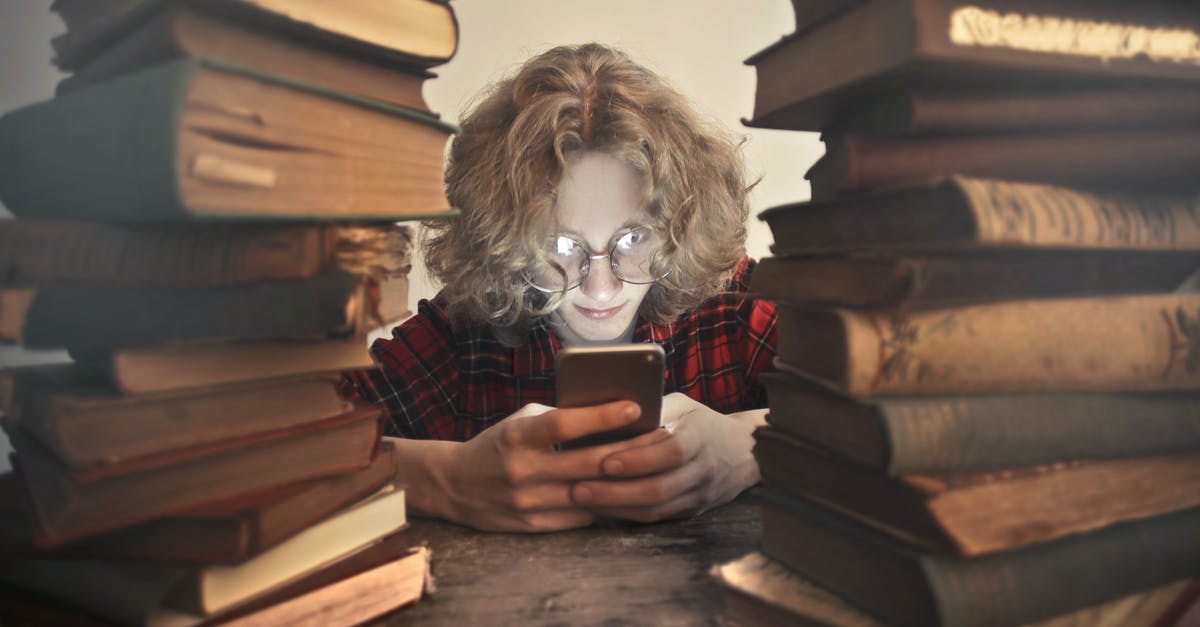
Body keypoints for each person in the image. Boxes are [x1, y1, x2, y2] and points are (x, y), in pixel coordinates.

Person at [341, 43, 777, 532]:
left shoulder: (734, 308)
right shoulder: (459, 338)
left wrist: (754, 446)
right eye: (559, 245)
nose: (600, 286)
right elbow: (289, 449)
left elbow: (875, 406)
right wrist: (444, 479)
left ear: (678, 226)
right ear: (506, 241)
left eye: (632, 239)